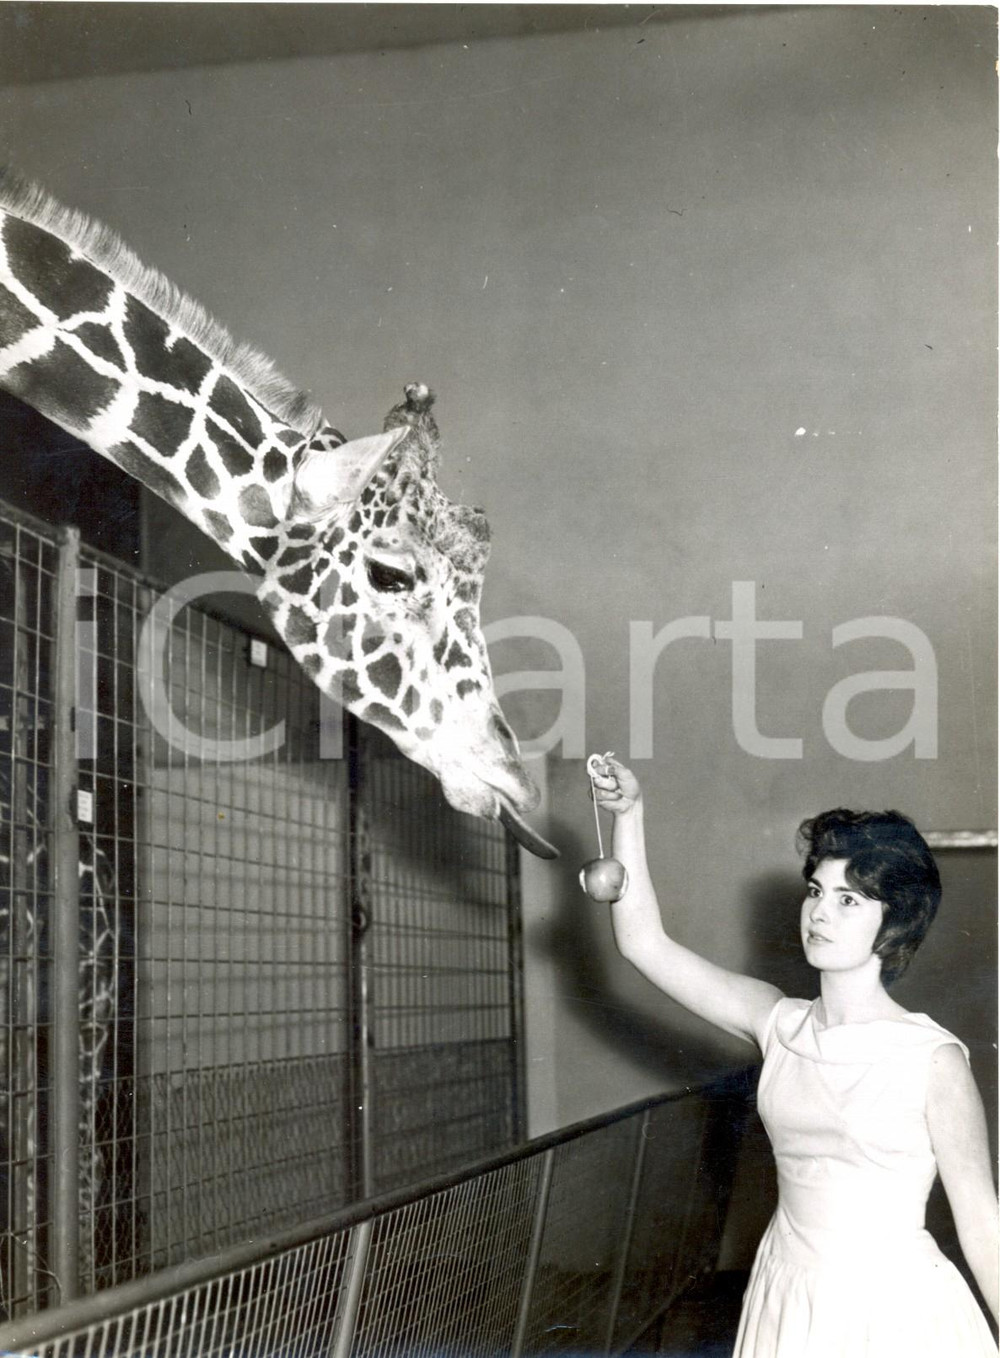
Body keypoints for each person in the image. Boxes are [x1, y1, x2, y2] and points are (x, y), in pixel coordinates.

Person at [588, 754, 998, 1358]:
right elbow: (642, 942)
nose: (820, 913)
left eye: (850, 900)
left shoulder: (932, 1059)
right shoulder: (777, 1022)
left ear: (896, 923)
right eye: (816, 891)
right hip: (786, 1295)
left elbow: (982, 1221)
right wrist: (629, 814)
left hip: (892, 1313)